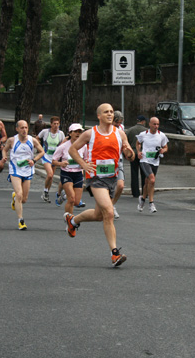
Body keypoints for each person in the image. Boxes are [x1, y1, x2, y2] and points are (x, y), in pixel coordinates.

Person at [63, 103, 135, 267]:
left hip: (111, 178)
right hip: (95, 178)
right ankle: (114, 254)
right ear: (99, 116)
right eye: (106, 112)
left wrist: (130, 152)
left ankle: (73, 221)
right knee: (109, 213)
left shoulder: (120, 133)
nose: (110, 114)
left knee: (99, 215)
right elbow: (73, 150)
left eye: (111, 112)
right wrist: (83, 164)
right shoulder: (90, 134)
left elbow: (129, 153)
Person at [3, 120, 45, 230]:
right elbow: (5, 149)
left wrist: (34, 160)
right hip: (15, 170)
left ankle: (14, 198)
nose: (24, 130)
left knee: (24, 199)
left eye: (26, 127)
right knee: (20, 194)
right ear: (17, 129)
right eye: (22, 128)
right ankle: (20, 221)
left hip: (27, 170)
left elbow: (42, 152)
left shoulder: (33, 140)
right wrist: (4, 157)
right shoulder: (12, 140)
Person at [53, 123, 88, 215]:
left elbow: (86, 159)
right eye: (75, 131)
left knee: (76, 202)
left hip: (78, 174)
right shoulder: (63, 147)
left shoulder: (84, 147)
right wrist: (61, 163)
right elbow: (53, 161)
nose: (78, 134)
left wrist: (83, 164)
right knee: (71, 199)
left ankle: (63, 196)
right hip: (66, 173)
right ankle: (69, 221)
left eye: (80, 131)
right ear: (70, 133)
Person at [136, 117, 169, 213]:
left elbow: (166, 147)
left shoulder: (161, 135)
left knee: (148, 182)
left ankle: (142, 200)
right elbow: (138, 143)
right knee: (152, 180)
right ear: (149, 124)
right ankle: (151, 203)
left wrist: (163, 150)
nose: (156, 126)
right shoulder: (144, 134)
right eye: (154, 124)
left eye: (158, 124)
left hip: (155, 160)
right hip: (145, 160)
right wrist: (139, 151)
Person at [37, 116, 65, 203]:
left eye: (57, 124)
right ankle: (45, 191)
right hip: (46, 155)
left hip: (55, 157)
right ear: (51, 124)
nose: (56, 126)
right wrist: (39, 147)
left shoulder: (61, 134)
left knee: (51, 176)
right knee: (49, 174)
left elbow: (63, 144)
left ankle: (46, 193)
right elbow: (37, 138)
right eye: (54, 124)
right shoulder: (45, 132)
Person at [125, 115, 147, 198]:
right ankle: (145, 192)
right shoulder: (146, 131)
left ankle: (135, 192)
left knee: (134, 173)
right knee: (144, 174)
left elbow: (125, 141)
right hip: (143, 154)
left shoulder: (130, 130)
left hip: (133, 153)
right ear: (143, 121)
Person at [111, 110, 126, 219]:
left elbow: (124, 142)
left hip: (118, 160)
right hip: (107, 161)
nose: (118, 125)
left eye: (120, 122)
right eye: (117, 122)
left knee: (120, 186)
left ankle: (112, 205)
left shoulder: (121, 128)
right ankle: (107, 207)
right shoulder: (105, 129)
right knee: (108, 187)